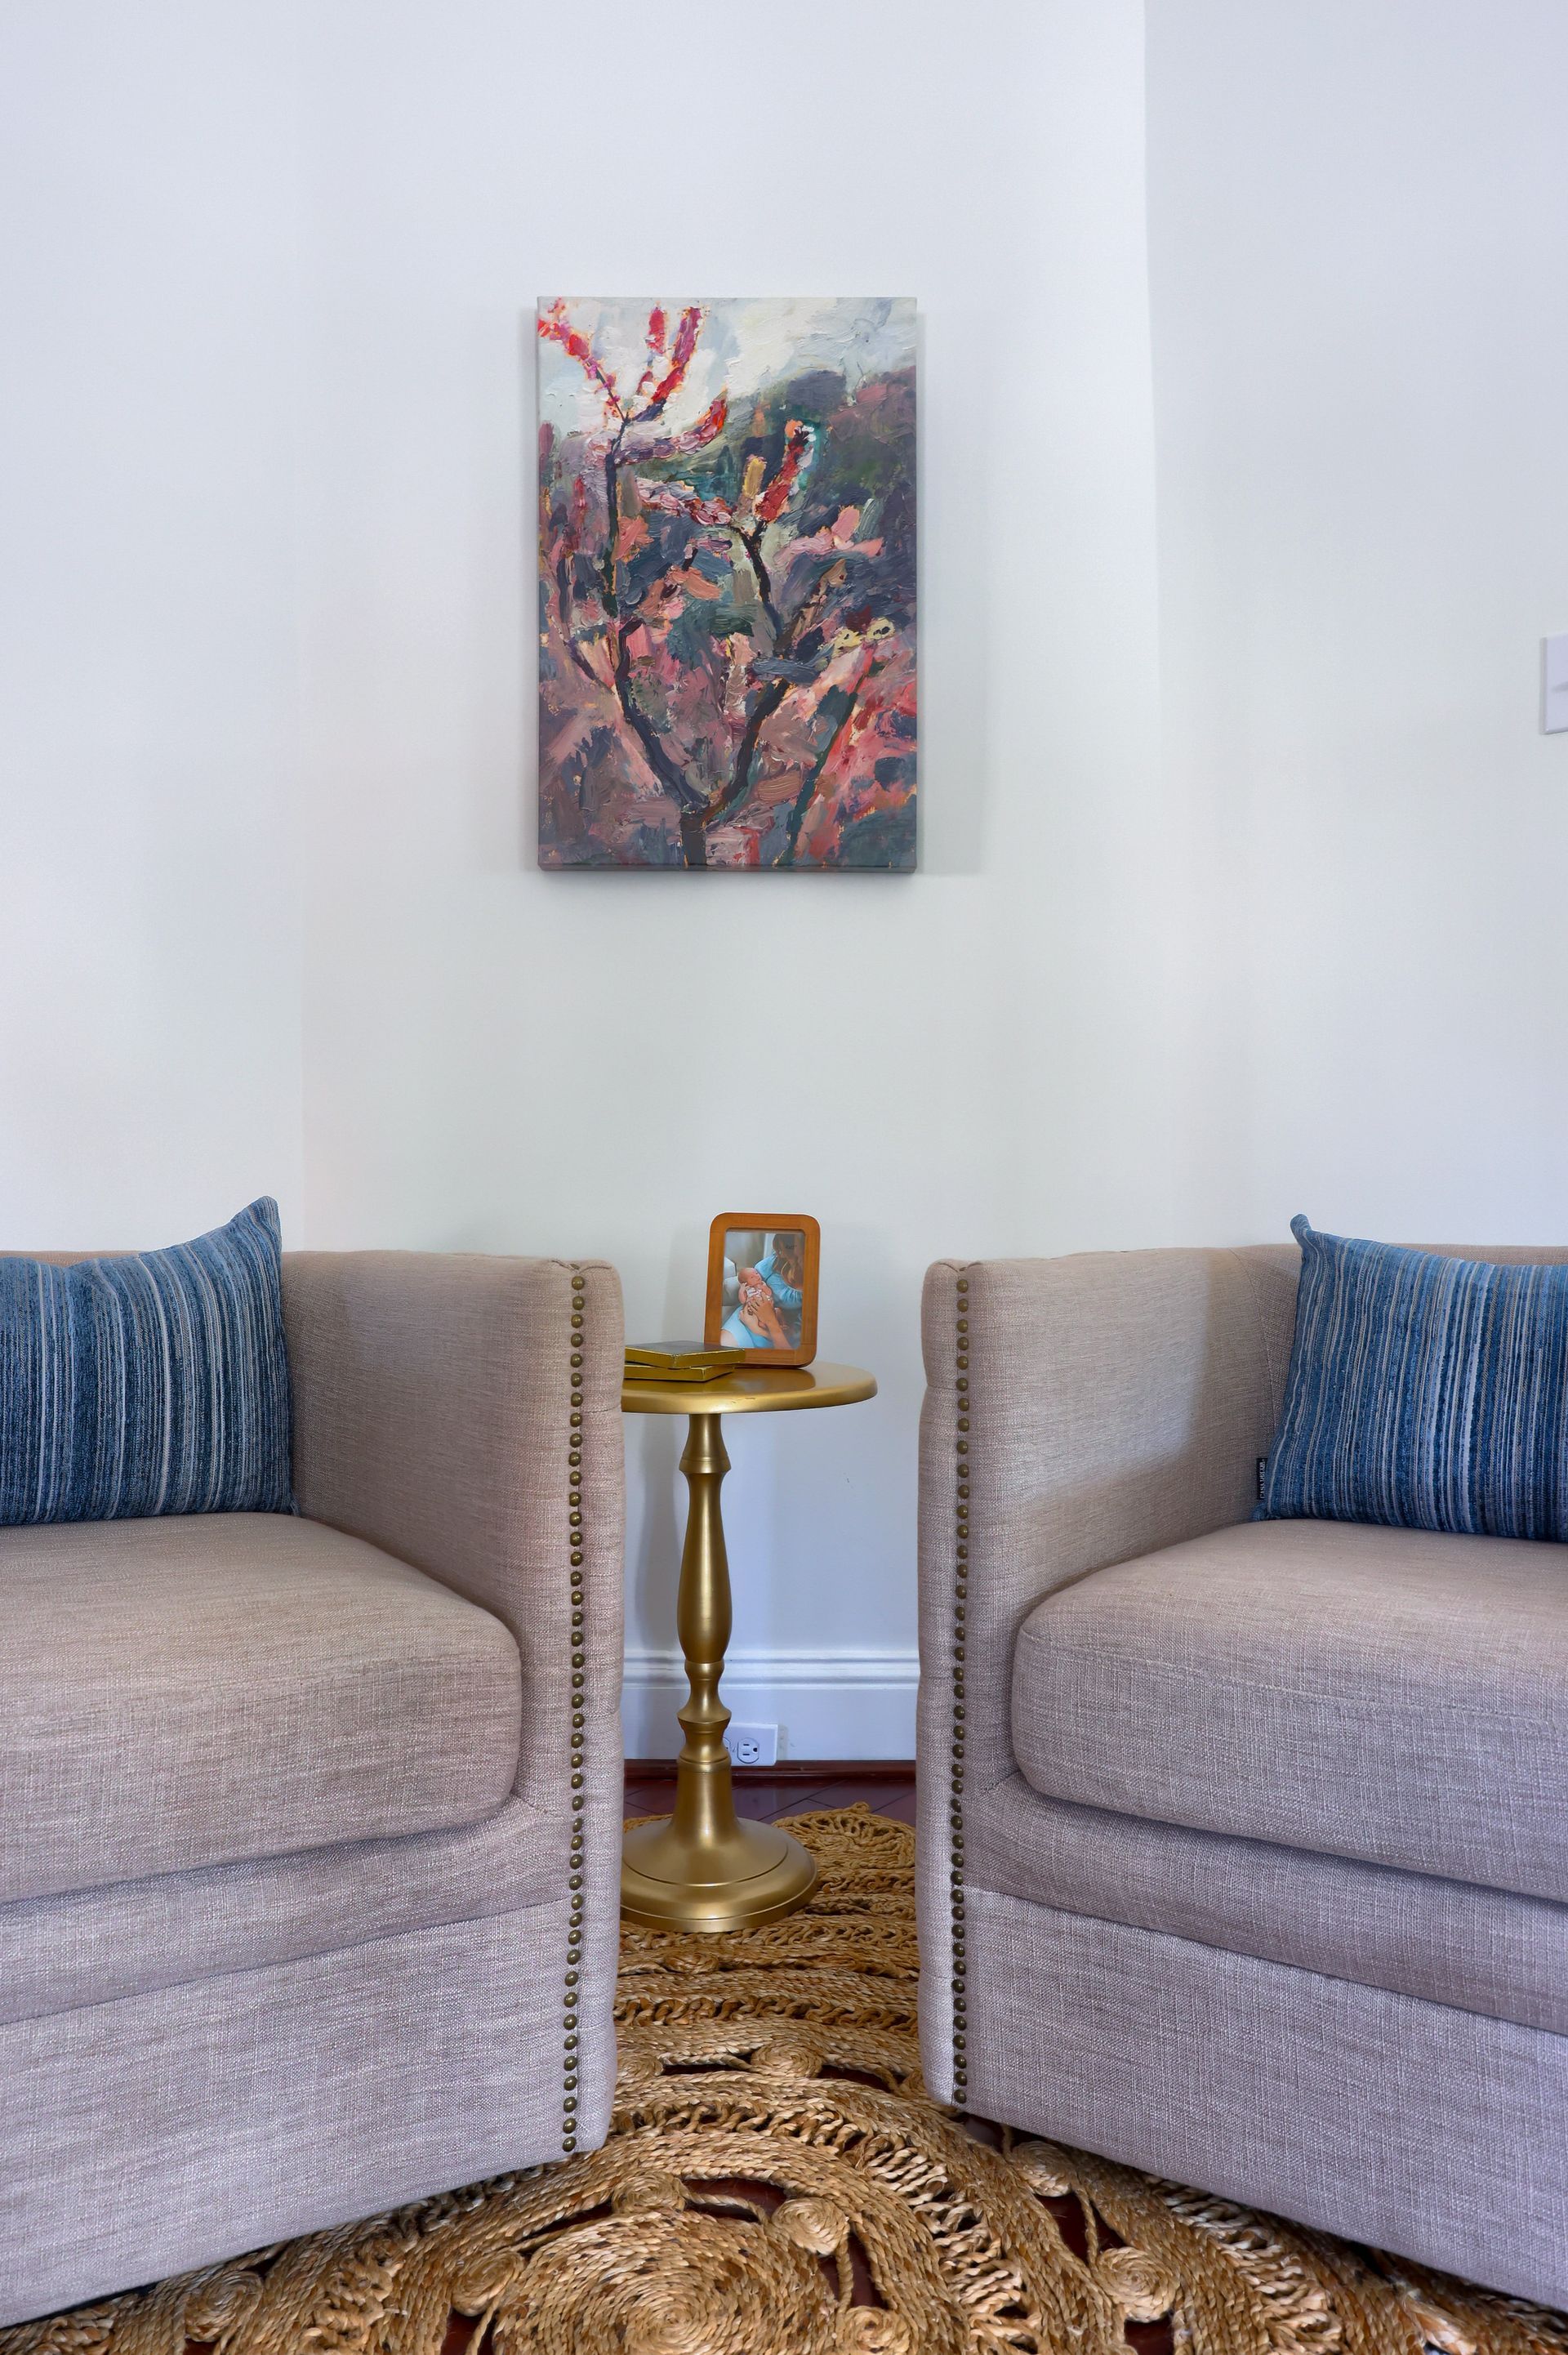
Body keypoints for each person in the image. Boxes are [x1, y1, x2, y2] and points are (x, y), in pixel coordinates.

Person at [720, 1230, 804, 1350]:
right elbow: (749, 1277)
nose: (781, 1255)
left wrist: (759, 1328)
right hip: (748, 1315)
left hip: (778, 1331)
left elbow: (789, 1346)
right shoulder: (778, 1261)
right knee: (721, 1350)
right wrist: (743, 1290)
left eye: (788, 1250)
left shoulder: (814, 1290)